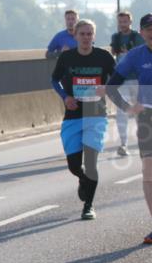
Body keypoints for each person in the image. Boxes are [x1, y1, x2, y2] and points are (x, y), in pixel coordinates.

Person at [50, 19, 117, 220]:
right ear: (76, 36)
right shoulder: (67, 57)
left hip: (96, 114)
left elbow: (117, 79)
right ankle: (82, 179)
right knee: (74, 166)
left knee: (91, 163)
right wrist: (65, 97)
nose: (86, 37)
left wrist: (107, 89)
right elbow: (54, 79)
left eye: (89, 34)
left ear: (94, 36)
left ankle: (88, 206)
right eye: (82, 34)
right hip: (73, 115)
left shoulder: (104, 56)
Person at [106, 12, 152, 244]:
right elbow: (111, 86)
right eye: (149, 29)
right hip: (147, 118)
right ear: (142, 32)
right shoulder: (135, 55)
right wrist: (127, 107)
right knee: (149, 171)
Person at [110, 11, 143, 156]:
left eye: (125, 22)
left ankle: (143, 141)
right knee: (121, 111)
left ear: (130, 22)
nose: (123, 24)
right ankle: (123, 144)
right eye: (120, 22)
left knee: (140, 112)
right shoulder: (115, 37)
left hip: (137, 79)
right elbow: (114, 53)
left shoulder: (137, 37)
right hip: (122, 79)